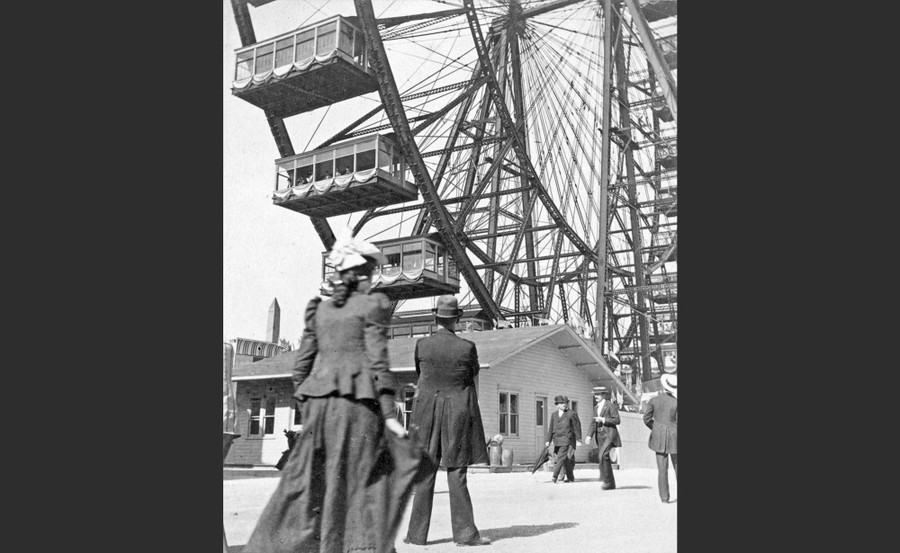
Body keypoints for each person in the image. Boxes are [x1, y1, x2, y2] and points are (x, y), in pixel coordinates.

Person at [243, 236, 429, 553]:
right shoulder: (373, 305)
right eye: (370, 272)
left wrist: (310, 407)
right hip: (358, 412)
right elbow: (377, 361)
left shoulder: (319, 310)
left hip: (320, 412)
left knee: (313, 489)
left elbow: (301, 369)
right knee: (368, 487)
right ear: (360, 274)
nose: (373, 278)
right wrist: (389, 414)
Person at [404, 294, 492, 547]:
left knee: (425, 472)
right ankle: (465, 535)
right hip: (457, 414)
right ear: (457, 320)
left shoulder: (422, 345)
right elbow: (472, 378)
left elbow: (422, 375)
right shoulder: (467, 347)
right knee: (457, 472)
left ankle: (416, 536)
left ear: (436, 319)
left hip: (427, 413)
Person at [643, 373, 677, 503]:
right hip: (675, 437)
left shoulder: (654, 400)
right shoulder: (676, 402)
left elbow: (646, 419)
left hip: (658, 437)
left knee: (662, 469)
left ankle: (664, 498)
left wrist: (655, 428)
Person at [585, 386, 621, 490]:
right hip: (599, 435)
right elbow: (593, 423)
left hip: (609, 434)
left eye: (599, 394)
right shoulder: (596, 407)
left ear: (604, 395)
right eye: (595, 394)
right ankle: (611, 484)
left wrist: (603, 419)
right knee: (605, 459)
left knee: (603, 455)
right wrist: (588, 436)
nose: (596, 396)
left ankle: (606, 482)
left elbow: (617, 420)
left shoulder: (610, 405)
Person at [545, 395, 583, 483]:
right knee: (566, 459)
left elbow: (577, 427)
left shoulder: (571, 414)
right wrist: (548, 440)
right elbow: (551, 428)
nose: (564, 405)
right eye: (561, 403)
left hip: (567, 440)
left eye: (565, 403)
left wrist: (578, 440)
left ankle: (555, 476)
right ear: (557, 405)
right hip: (557, 440)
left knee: (561, 458)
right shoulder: (554, 415)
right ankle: (570, 477)